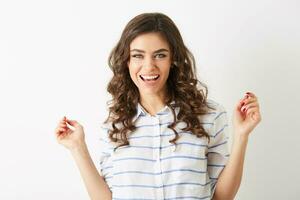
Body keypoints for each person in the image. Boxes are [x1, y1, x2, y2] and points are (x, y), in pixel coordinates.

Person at [54, 12, 261, 200]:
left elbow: (222, 198)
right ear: (126, 61)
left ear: (173, 59)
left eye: (160, 55)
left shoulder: (210, 116)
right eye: (138, 55)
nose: (149, 66)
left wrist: (242, 136)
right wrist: (77, 147)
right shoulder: (114, 124)